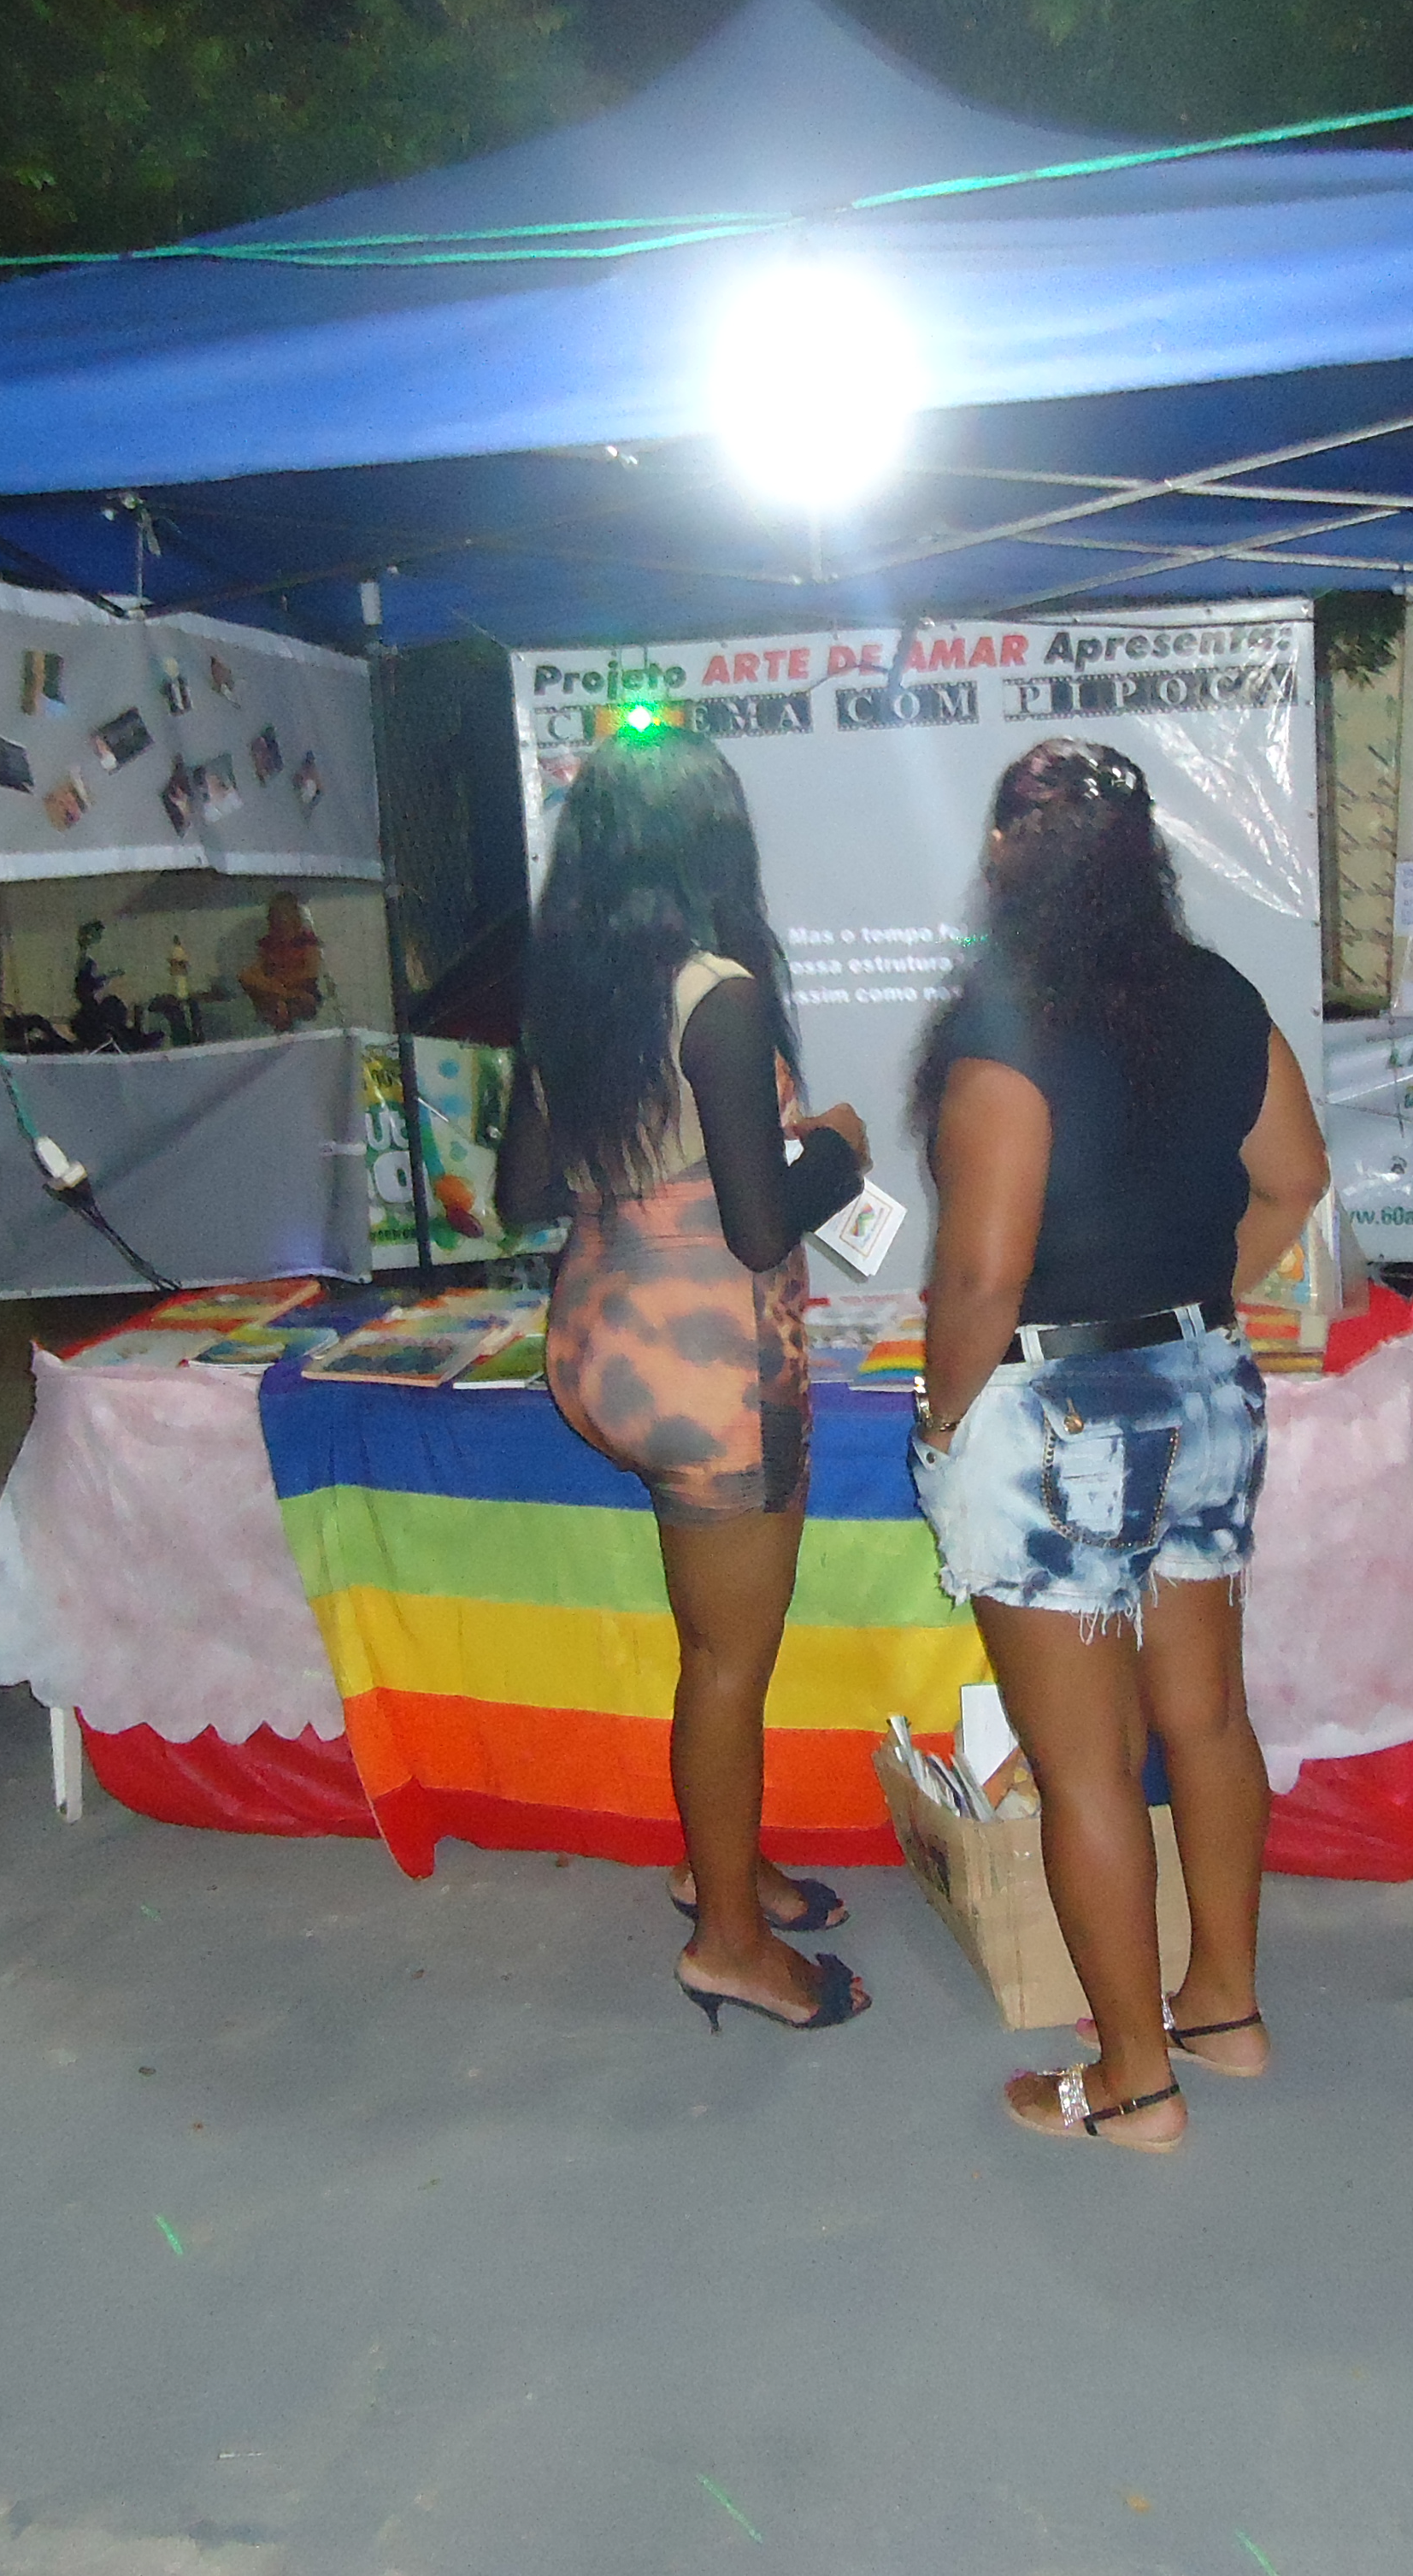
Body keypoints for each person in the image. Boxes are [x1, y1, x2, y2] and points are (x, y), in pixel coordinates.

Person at [905, 740, 1330, 2152]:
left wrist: (944, 1417)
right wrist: (1188, 1309)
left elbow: (981, 1278)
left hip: (1053, 1415)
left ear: (1004, 854)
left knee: (1086, 1764)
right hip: (1204, 1384)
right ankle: (1225, 2009)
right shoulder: (1215, 995)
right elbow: (1296, 1179)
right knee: (1206, 1718)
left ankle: (1133, 2085)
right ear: (1146, 854)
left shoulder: (1005, 1027)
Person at [493, 731, 875, 2034]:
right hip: (711, 1361)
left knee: (714, 1649)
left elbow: (523, 1191)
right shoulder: (717, 992)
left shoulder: (570, 995)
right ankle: (726, 1941)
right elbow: (763, 1229)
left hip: (594, 1341)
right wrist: (840, 1148)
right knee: (728, 1659)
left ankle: (727, 1866)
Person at [238, 891, 327, 1032]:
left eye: (285, 914)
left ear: (294, 918)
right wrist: (279, 989)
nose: (280, 920)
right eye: (275, 916)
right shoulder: (268, 945)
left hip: (303, 995)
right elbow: (250, 974)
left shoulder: (307, 942)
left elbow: (310, 973)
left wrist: (281, 983)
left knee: (297, 1003)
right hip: (276, 993)